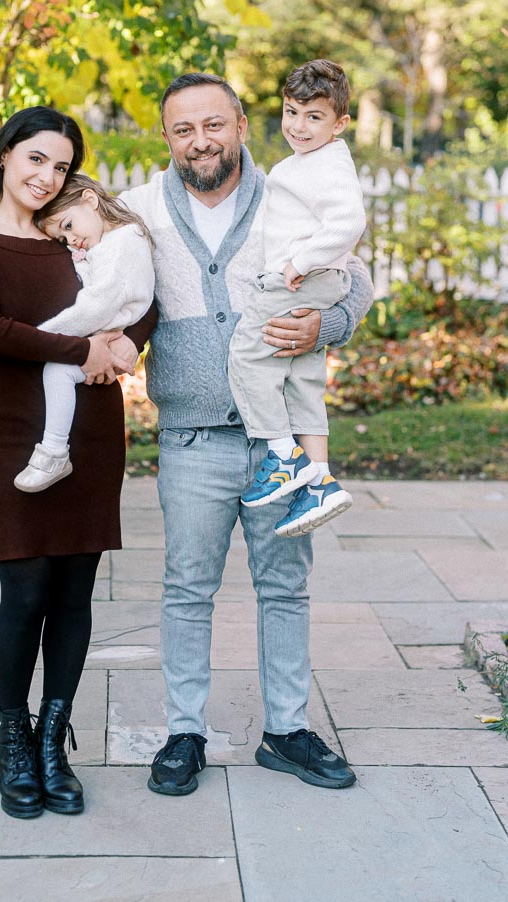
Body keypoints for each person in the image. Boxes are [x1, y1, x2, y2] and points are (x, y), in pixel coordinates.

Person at [119, 73, 373, 798]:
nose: (200, 140)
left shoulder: (289, 194)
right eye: (183, 129)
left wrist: (325, 325)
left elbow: (355, 282)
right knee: (186, 587)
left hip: (280, 443)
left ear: (240, 125)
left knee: (285, 586)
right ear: (166, 138)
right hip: (193, 440)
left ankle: (287, 730)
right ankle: (183, 732)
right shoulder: (140, 211)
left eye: (214, 124)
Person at [0, 108, 154, 821]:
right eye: (35, 159)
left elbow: (141, 286)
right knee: (24, 589)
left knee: (74, 593)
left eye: (60, 166)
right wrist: (83, 350)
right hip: (7, 428)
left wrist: (128, 343)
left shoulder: (79, 231)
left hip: (87, 426)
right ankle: (13, 739)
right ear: (4, 156)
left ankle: (53, 743)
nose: (46, 177)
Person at [231, 58, 366, 537]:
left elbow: (348, 224)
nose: (299, 126)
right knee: (301, 377)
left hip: (302, 280)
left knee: (248, 356)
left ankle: (284, 454)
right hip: (319, 279)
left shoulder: (324, 165)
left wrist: (298, 263)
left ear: (339, 123)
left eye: (314, 117)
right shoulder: (309, 164)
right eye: (292, 112)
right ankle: (319, 483)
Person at [13, 173, 155, 493]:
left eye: (68, 226)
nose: (70, 240)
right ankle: (53, 451)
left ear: (90, 200)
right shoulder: (107, 242)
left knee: (57, 370)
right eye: (63, 239)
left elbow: (95, 307)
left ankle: (53, 452)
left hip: (110, 334)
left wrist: (41, 337)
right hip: (107, 331)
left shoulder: (124, 242)